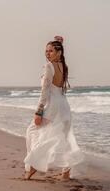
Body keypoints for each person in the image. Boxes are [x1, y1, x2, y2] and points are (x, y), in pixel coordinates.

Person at [24, 36, 84, 181]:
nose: (47, 53)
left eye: (50, 51)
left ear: (58, 53)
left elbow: (45, 90)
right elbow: (59, 56)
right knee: (63, 136)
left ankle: (32, 166)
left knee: (34, 131)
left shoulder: (49, 66)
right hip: (63, 103)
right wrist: (60, 45)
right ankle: (66, 172)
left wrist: (39, 110)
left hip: (52, 104)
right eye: (46, 51)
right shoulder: (62, 65)